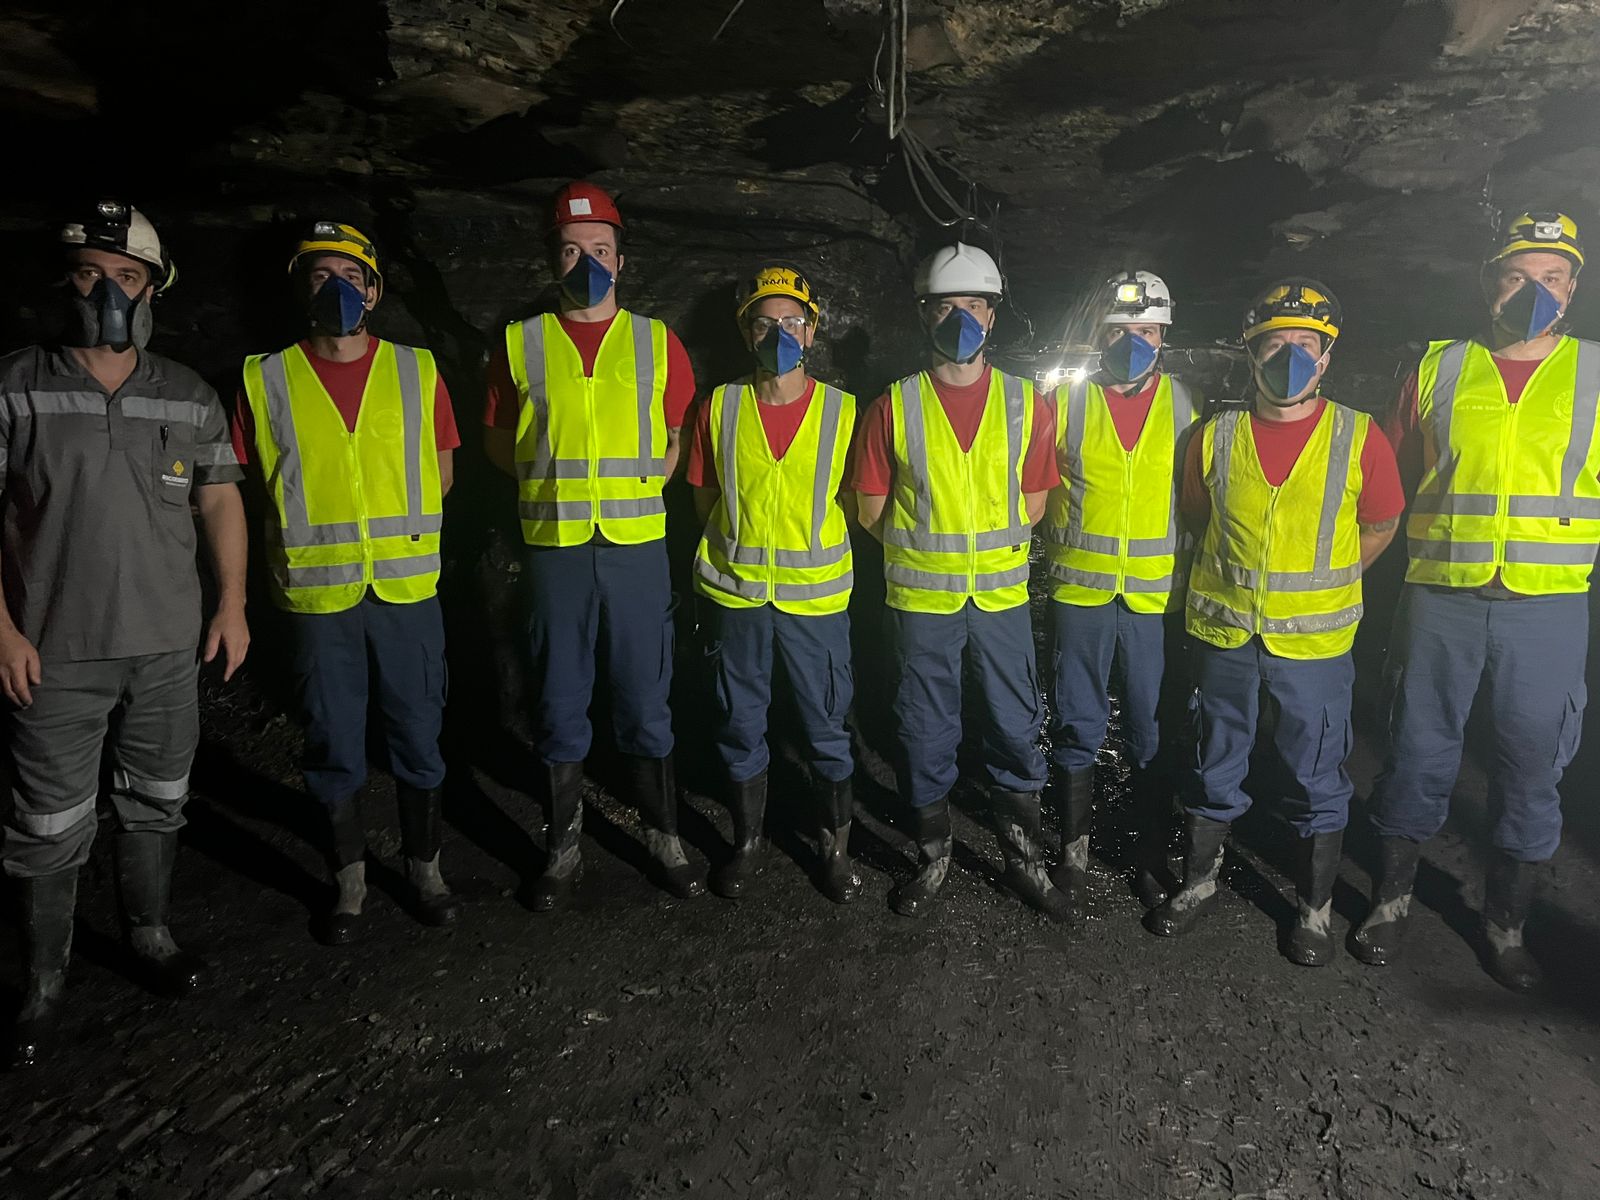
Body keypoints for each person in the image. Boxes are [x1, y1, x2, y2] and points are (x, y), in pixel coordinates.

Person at [1, 202, 250, 1067]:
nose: (108, 291)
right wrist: (2, 631)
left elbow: (219, 499)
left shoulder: (187, 394)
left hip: (165, 647)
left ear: (152, 292)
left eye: (128, 277)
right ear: (64, 284)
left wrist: (231, 605)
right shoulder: (15, 384)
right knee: (47, 819)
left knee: (158, 796)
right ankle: (44, 979)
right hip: (53, 647)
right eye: (89, 275)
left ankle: (148, 933)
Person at [1359, 212, 1597, 991]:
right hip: (1440, 599)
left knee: (1532, 768)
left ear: (1573, 288)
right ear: (1488, 284)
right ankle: (1389, 904)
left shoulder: (1593, 375)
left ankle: (1505, 927)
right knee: (1417, 751)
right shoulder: (1437, 368)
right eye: (1516, 275)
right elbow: (1387, 482)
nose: (1535, 290)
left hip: (1548, 609)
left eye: (1553, 277)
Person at [1148, 279, 1403, 965]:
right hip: (1226, 637)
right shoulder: (1212, 435)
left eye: (1305, 344)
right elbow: (1200, 521)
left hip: (1314, 645)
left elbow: (1379, 524)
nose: (1289, 355)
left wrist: (1323, 584)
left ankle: (1313, 912)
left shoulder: (1360, 436)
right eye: (1274, 343)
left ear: (1326, 357)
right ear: (1251, 352)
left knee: (1317, 774)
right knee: (1212, 760)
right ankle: (1198, 884)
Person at [234, 221, 461, 944]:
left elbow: (444, 466)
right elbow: (246, 486)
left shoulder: (416, 369)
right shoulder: (263, 378)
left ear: (373, 290)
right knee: (332, 741)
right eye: (318, 274)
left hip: (404, 590)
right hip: (317, 597)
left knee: (418, 733)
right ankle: (351, 883)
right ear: (301, 288)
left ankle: (424, 869)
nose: (336, 287)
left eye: (350, 275)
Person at [483, 181, 702, 906]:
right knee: (558, 696)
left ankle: (664, 836)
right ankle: (563, 844)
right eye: (573, 250)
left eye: (600, 250)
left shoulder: (656, 340)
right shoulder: (520, 343)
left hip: (636, 546)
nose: (588, 262)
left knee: (646, 696)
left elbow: (674, 437)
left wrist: (636, 487)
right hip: (555, 549)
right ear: (553, 259)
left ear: (621, 259)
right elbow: (497, 441)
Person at [854, 242, 1067, 920]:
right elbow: (869, 510)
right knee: (924, 729)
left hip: (1000, 598)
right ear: (925, 315)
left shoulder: (1025, 403)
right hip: (923, 601)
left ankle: (1024, 861)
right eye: (947, 306)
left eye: (973, 305)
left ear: (992, 315)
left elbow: (1036, 502)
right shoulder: (894, 405)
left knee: (1013, 725)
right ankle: (933, 858)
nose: (961, 317)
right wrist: (933, 552)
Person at [687, 265, 862, 903]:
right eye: (765, 322)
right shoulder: (719, 407)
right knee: (739, 722)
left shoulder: (844, 413)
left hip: (814, 601)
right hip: (736, 596)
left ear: (812, 331)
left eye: (792, 321)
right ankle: (747, 843)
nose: (779, 333)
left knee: (824, 726)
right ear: (746, 331)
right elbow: (704, 497)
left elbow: (858, 499)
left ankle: (834, 851)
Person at [1040, 270, 1202, 914]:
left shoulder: (1188, 406)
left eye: (1145, 330)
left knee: (1150, 728)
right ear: (1099, 335)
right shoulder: (1066, 403)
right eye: (1118, 331)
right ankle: (1074, 855)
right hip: (1081, 593)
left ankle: (1149, 852)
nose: (1131, 341)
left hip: (1156, 601)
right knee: (1077, 722)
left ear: (1163, 335)